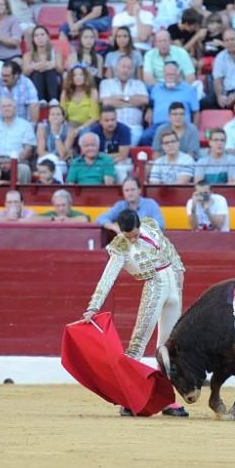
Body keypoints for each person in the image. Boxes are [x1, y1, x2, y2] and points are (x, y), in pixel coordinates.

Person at [81, 209, 187, 417]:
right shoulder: (120, 245)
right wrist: (94, 306)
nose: (133, 239)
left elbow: (168, 246)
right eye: (128, 236)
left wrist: (180, 268)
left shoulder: (150, 224)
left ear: (140, 224)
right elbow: (108, 276)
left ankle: (166, 399)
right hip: (154, 287)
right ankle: (129, 398)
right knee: (137, 344)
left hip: (173, 285)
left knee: (168, 347)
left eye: (135, 234)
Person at [0, 95, 36, 184]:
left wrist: (12, 163)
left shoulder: (26, 125)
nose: (6, 109)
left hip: (17, 162)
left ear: (15, 108)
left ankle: (21, 195)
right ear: (0, 109)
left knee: (24, 169)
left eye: (9, 106)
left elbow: (28, 149)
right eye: (3, 106)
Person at [99, 55, 148, 145]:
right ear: (116, 67)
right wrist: (133, 101)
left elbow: (144, 100)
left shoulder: (139, 84)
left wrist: (122, 99)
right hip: (113, 127)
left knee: (129, 151)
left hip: (134, 128)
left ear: (132, 70)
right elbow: (106, 103)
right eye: (123, 67)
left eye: (129, 68)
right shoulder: (106, 83)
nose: (126, 70)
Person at [0, 60, 40, 127]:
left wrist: (31, 127)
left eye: (6, 76)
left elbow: (34, 105)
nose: (3, 78)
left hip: (21, 127)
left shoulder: (26, 83)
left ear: (16, 75)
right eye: (2, 75)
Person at [97, 178, 165, 232]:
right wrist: (114, 227)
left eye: (132, 190)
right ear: (123, 192)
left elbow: (160, 225)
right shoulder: (120, 206)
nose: (130, 193)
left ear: (139, 190)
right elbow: (101, 219)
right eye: (127, 190)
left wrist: (139, 230)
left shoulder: (150, 204)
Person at [89, 106, 132, 182]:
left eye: (113, 120)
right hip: (99, 162)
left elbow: (123, 155)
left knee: (119, 169)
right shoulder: (94, 131)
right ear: (100, 121)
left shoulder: (124, 130)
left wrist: (104, 159)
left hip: (120, 162)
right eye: (107, 120)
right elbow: (92, 153)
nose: (110, 123)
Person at [22, 26, 62, 104]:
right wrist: (34, 66)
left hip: (52, 82)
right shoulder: (28, 55)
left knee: (50, 71)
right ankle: (40, 99)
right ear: (33, 39)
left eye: (42, 35)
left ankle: (53, 99)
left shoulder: (56, 53)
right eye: (36, 35)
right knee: (37, 72)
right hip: (35, 84)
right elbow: (24, 73)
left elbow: (61, 70)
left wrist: (52, 65)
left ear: (47, 36)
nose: (39, 38)